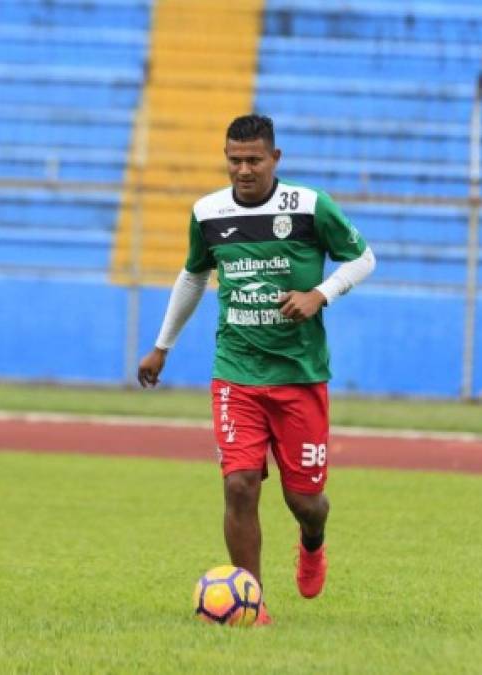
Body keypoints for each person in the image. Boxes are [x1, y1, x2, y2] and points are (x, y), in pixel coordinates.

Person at [137, 114, 375, 626]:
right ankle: (253, 604)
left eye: (253, 160)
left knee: (306, 501)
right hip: (236, 373)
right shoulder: (208, 213)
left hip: (300, 375)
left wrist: (320, 294)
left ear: (275, 159)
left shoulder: (311, 207)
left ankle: (313, 544)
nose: (242, 170)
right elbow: (193, 276)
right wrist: (162, 347)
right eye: (233, 160)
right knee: (240, 484)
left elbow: (364, 259)